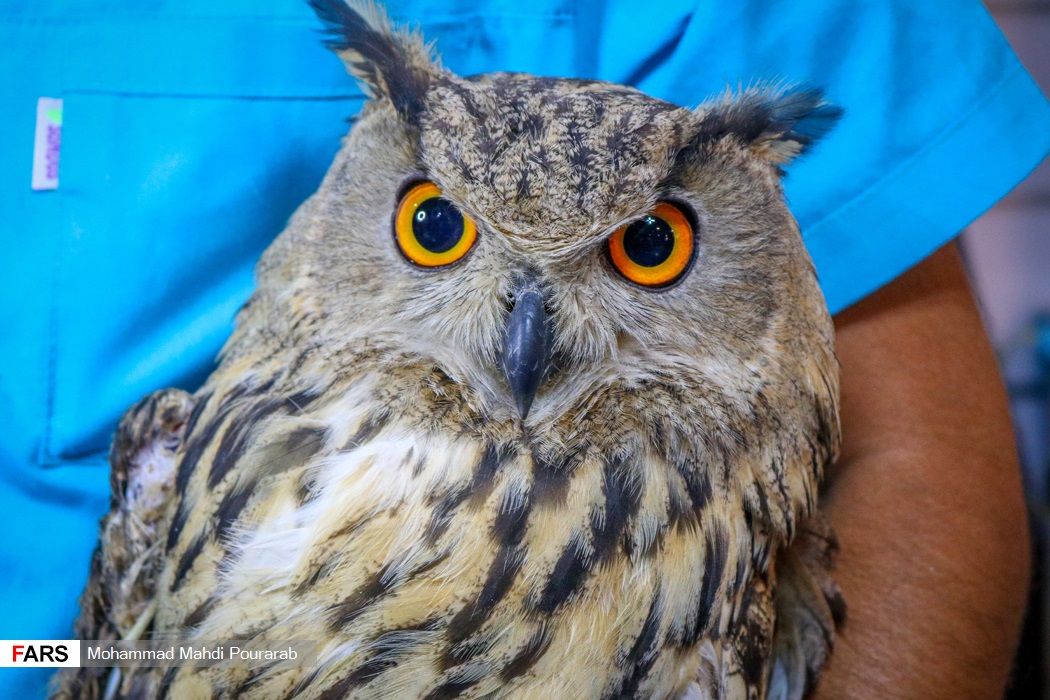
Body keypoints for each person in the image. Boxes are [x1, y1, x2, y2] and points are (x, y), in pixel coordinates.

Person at [1, 0, 1047, 697]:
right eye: (436, 229)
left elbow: (921, 466)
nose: (524, 329)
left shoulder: (697, 563)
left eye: (647, 249)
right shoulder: (189, 462)